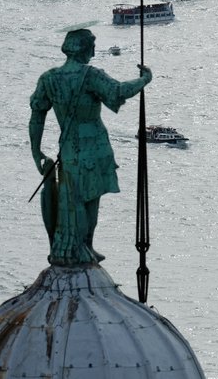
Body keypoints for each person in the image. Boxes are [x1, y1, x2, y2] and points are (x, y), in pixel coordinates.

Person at [29, 28, 152, 266]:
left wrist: (36, 152)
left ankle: (81, 246)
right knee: (90, 201)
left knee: (73, 200)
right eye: (92, 47)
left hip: (68, 149)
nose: (95, 52)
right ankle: (82, 246)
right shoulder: (91, 75)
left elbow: (37, 117)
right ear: (84, 49)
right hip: (94, 148)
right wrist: (145, 79)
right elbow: (118, 91)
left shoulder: (49, 78)